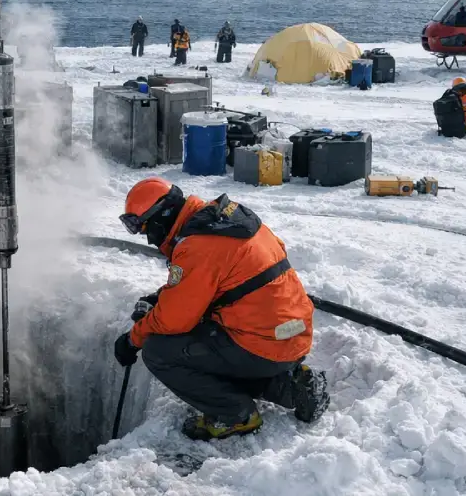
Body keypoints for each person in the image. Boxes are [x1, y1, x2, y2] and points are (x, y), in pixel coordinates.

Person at [113, 177, 329, 440]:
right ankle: (290, 387)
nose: (149, 239)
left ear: (162, 217)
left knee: (159, 351)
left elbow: (174, 321)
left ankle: (235, 415)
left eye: (147, 229)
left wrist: (132, 339)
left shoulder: (197, 245)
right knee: (214, 342)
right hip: (291, 336)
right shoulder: (225, 221)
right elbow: (218, 282)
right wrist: (161, 297)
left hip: (261, 343)